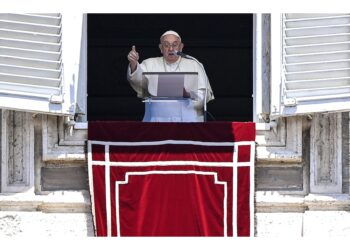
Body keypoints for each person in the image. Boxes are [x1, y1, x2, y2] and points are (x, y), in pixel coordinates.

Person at [127, 30, 214, 122]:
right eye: (166, 45)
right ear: (161, 48)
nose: (171, 49)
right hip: (157, 119)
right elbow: (137, 81)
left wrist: (188, 94)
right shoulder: (149, 63)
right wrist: (134, 64)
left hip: (187, 120)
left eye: (175, 45)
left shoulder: (195, 64)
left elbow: (204, 95)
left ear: (181, 47)